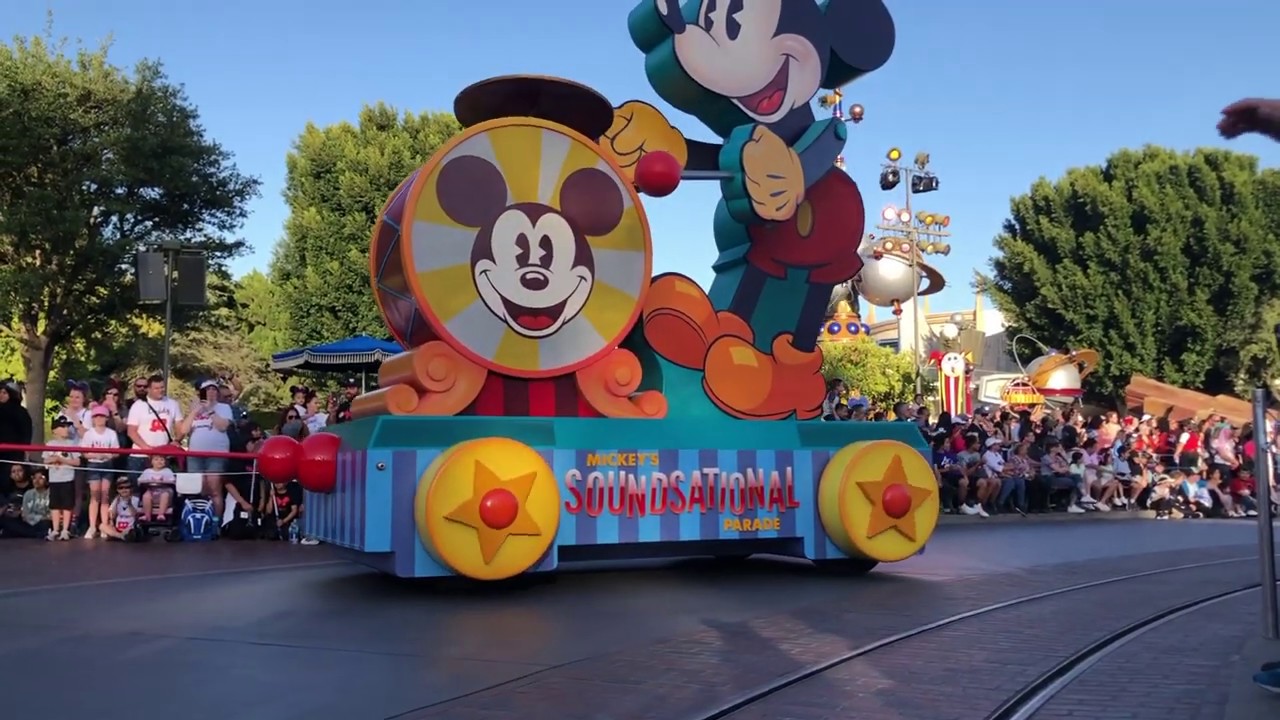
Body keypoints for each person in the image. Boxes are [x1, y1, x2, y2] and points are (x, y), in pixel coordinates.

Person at [181, 380, 233, 518]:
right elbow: (183, 430)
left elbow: (223, 426)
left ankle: (216, 521)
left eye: (214, 389)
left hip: (216, 453)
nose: (211, 392)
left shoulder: (224, 407)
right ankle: (199, 518)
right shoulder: (195, 408)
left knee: (214, 488)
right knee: (198, 488)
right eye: (207, 390)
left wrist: (210, 410)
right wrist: (194, 411)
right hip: (195, 454)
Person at [125, 374, 183, 476]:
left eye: (162, 387)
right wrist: (148, 449)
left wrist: (177, 440)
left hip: (163, 455)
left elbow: (180, 425)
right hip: (141, 455)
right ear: (149, 389)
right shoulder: (138, 405)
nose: (160, 390)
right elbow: (131, 431)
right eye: (156, 388)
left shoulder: (172, 404)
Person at [79, 403, 121, 539]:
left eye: (102, 416)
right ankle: (92, 526)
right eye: (96, 416)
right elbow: (84, 452)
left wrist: (107, 455)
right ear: (93, 418)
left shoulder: (111, 433)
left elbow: (116, 451)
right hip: (94, 465)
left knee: (105, 496)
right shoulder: (89, 434)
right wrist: (96, 455)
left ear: (106, 418)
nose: (99, 419)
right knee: (95, 496)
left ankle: (104, 525)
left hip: (107, 465)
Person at [43, 416, 81, 540]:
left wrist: (62, 460)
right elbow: (45, 460)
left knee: (67, 505)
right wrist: (53, 459)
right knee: (54, 505)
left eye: (67, 427)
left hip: (67, 478)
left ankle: (65, 529)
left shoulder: (72, 443)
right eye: (63, 427)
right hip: (54, 479)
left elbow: (77, 462)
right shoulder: (50, 444)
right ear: (55, 430)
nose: (66, 429)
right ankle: (55, 529)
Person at [0, 467, 50, 539]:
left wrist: (44, 518)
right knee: (6, 521)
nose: (36, 481)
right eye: (34, 478)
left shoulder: (51, 494)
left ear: (47, 481)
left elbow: (52, 514)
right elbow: (26, 515)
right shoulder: (28, 493)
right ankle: (36, 534)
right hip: (30, 522)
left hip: (44, 523)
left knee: (45, 524)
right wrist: (39, 518)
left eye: (41, 478)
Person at [138, 453, 176, 523]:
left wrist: (164, 482)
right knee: (146, 496)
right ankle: (147, 516)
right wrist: (147, 482)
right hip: (151, 490)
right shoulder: (147, 471)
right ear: (151, 462)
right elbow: (140, 481)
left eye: (162, 460)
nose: (159, 461)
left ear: (165, 462)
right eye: (156, 459)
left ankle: (161, 514)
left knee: (165, 495)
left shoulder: (167, 471)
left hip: (164, 490)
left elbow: (173, 481)